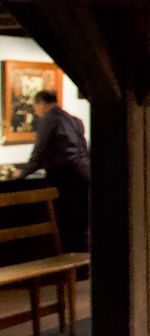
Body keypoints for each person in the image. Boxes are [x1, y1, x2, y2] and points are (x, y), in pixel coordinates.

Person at [18, 89, 91, 253]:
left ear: (41, 103)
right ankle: (84, 261)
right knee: (81, 223)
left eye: (35, 106)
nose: (35, 111)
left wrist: (21, 174)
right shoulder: (73, 119)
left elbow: (39, 152)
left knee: (65, 223)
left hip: (65, 178)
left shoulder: (49, 119)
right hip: (84, 173)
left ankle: (70, 259)